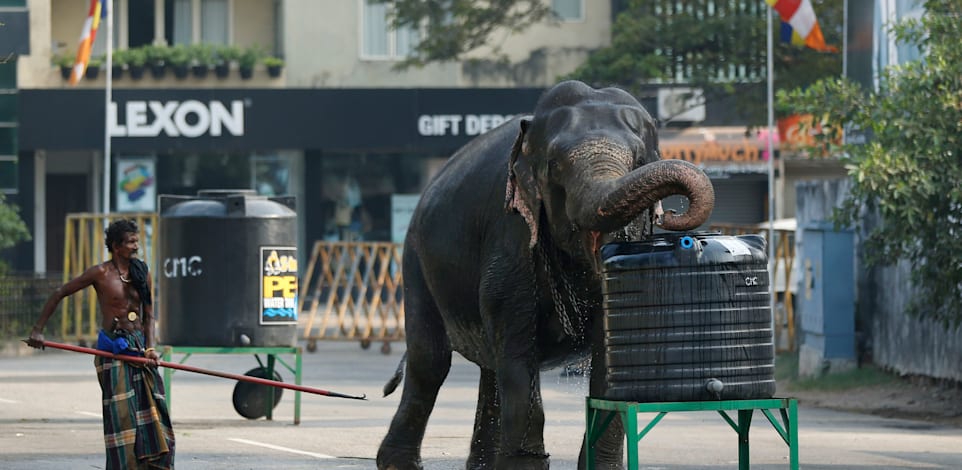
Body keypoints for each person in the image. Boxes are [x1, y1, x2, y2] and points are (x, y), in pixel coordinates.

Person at [28, 218, 175, 469]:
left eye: (137, 241)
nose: (136, 247)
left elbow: (149, 315)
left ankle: (153, 464)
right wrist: (38, 330)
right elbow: (59, 293)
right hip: (113, 349)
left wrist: (150, 347)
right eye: (130, 242)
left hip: (139, 347)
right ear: (116, 247)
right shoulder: (100, 273)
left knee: (153, 409)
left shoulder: (142, 273)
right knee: (122, 414)